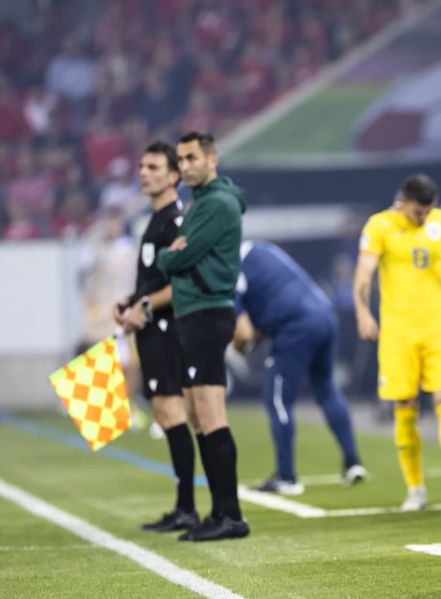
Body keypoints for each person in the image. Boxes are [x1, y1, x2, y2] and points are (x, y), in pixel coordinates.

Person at [353, 174, 441, 510]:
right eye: (417, 213)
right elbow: (364, 274)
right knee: (405, 406)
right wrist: (363, 314)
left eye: (427, 212)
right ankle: (415, 490)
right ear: (404, 201)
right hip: (397, 332)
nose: (423, 218)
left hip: (438, 327)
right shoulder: (380, 225)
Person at [156, 131, 249, 542]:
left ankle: (230, 515)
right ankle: (218, 512)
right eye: (181, 159)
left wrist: (172, 252)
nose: (185, 165)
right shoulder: (200, 205)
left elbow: (176, 257)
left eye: (192, 157)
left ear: (212, 159)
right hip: (193, 314)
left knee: (211, 414)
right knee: (197, 414)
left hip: (209, 313)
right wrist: (171, 253)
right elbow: (171, 256)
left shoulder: (218, 205)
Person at [232, 240, 367, 495]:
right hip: (325, 315)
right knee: (326, 388)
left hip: (295, 327)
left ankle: (286, 476)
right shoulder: (259, 248)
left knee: (278, 400)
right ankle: (353, 462)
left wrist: (238, 347)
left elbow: (245, 333)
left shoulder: (229, 269)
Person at [113, 141, 198, 533]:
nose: (144, 172)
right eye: (142, 166)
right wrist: (130, 301)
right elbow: (152, 281)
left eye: (153, 167)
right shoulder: (152, 220)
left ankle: (188, 507)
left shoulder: (175, 221)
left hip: (166, 329)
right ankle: (184, 505)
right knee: (165, 414)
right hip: (149, 329)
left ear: (174, 176)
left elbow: (180, 284)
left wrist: (143, 308)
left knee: (171, 413)